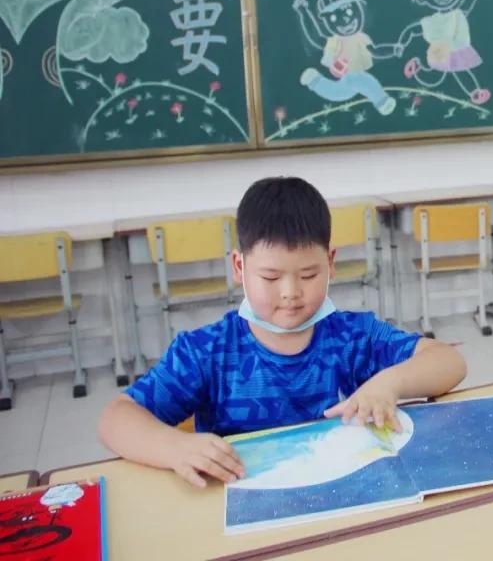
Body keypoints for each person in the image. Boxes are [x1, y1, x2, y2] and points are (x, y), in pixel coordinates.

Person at [97, 177, 466, 487]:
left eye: (309, 275)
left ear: (331, 263)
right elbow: (116, 418)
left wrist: (390, 384)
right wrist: (174, 448)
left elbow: (448, 361)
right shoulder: (208, 352)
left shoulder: (353, 336)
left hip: (341, 492)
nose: (291, 292)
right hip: (242, 502)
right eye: (270, 277)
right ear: (239, 267)